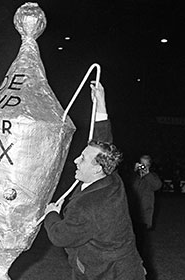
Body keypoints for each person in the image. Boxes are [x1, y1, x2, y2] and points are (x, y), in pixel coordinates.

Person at [43, 82, 145, 280]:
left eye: (82, 159)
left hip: (107, 273)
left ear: (98, 168)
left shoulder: (87, 206)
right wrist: (101, 104)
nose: (75, 160)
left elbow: (60, 236)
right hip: (127, 268)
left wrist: (51, 214)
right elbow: (104, 142)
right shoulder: (111, 178)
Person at [130, 155, 163, 230]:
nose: (143, 167)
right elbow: (129, 186)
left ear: (149, 165)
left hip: (145, 211)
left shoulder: (152, 176)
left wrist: (147, 175)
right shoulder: (135, 176)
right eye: (142, 164)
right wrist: (134, 171)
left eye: (146, 165)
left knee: (143, 232)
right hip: (133, 209)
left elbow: (157, 186)